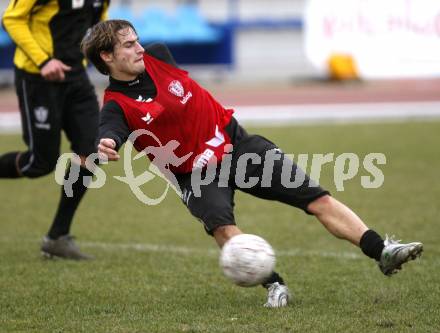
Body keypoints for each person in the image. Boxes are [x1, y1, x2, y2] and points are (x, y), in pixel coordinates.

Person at [81, 19, 423, 307]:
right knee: (223, 228)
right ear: (107, 56)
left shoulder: (158, 55)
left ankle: (383, 251)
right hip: (196, 175)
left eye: (137, 41)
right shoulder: (116, 105)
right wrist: (108, 143)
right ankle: (273, 284)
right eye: (128, 45)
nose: (139, 48)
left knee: (317, 199)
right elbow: (111, 131)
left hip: (238, 145)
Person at [1, 0, 110, 259]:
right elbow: (12, 19)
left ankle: (57, 237)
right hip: (38, 77)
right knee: (40, 164)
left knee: (92, 149)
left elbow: (98, 27)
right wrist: (44, 61)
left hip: (76, 77)